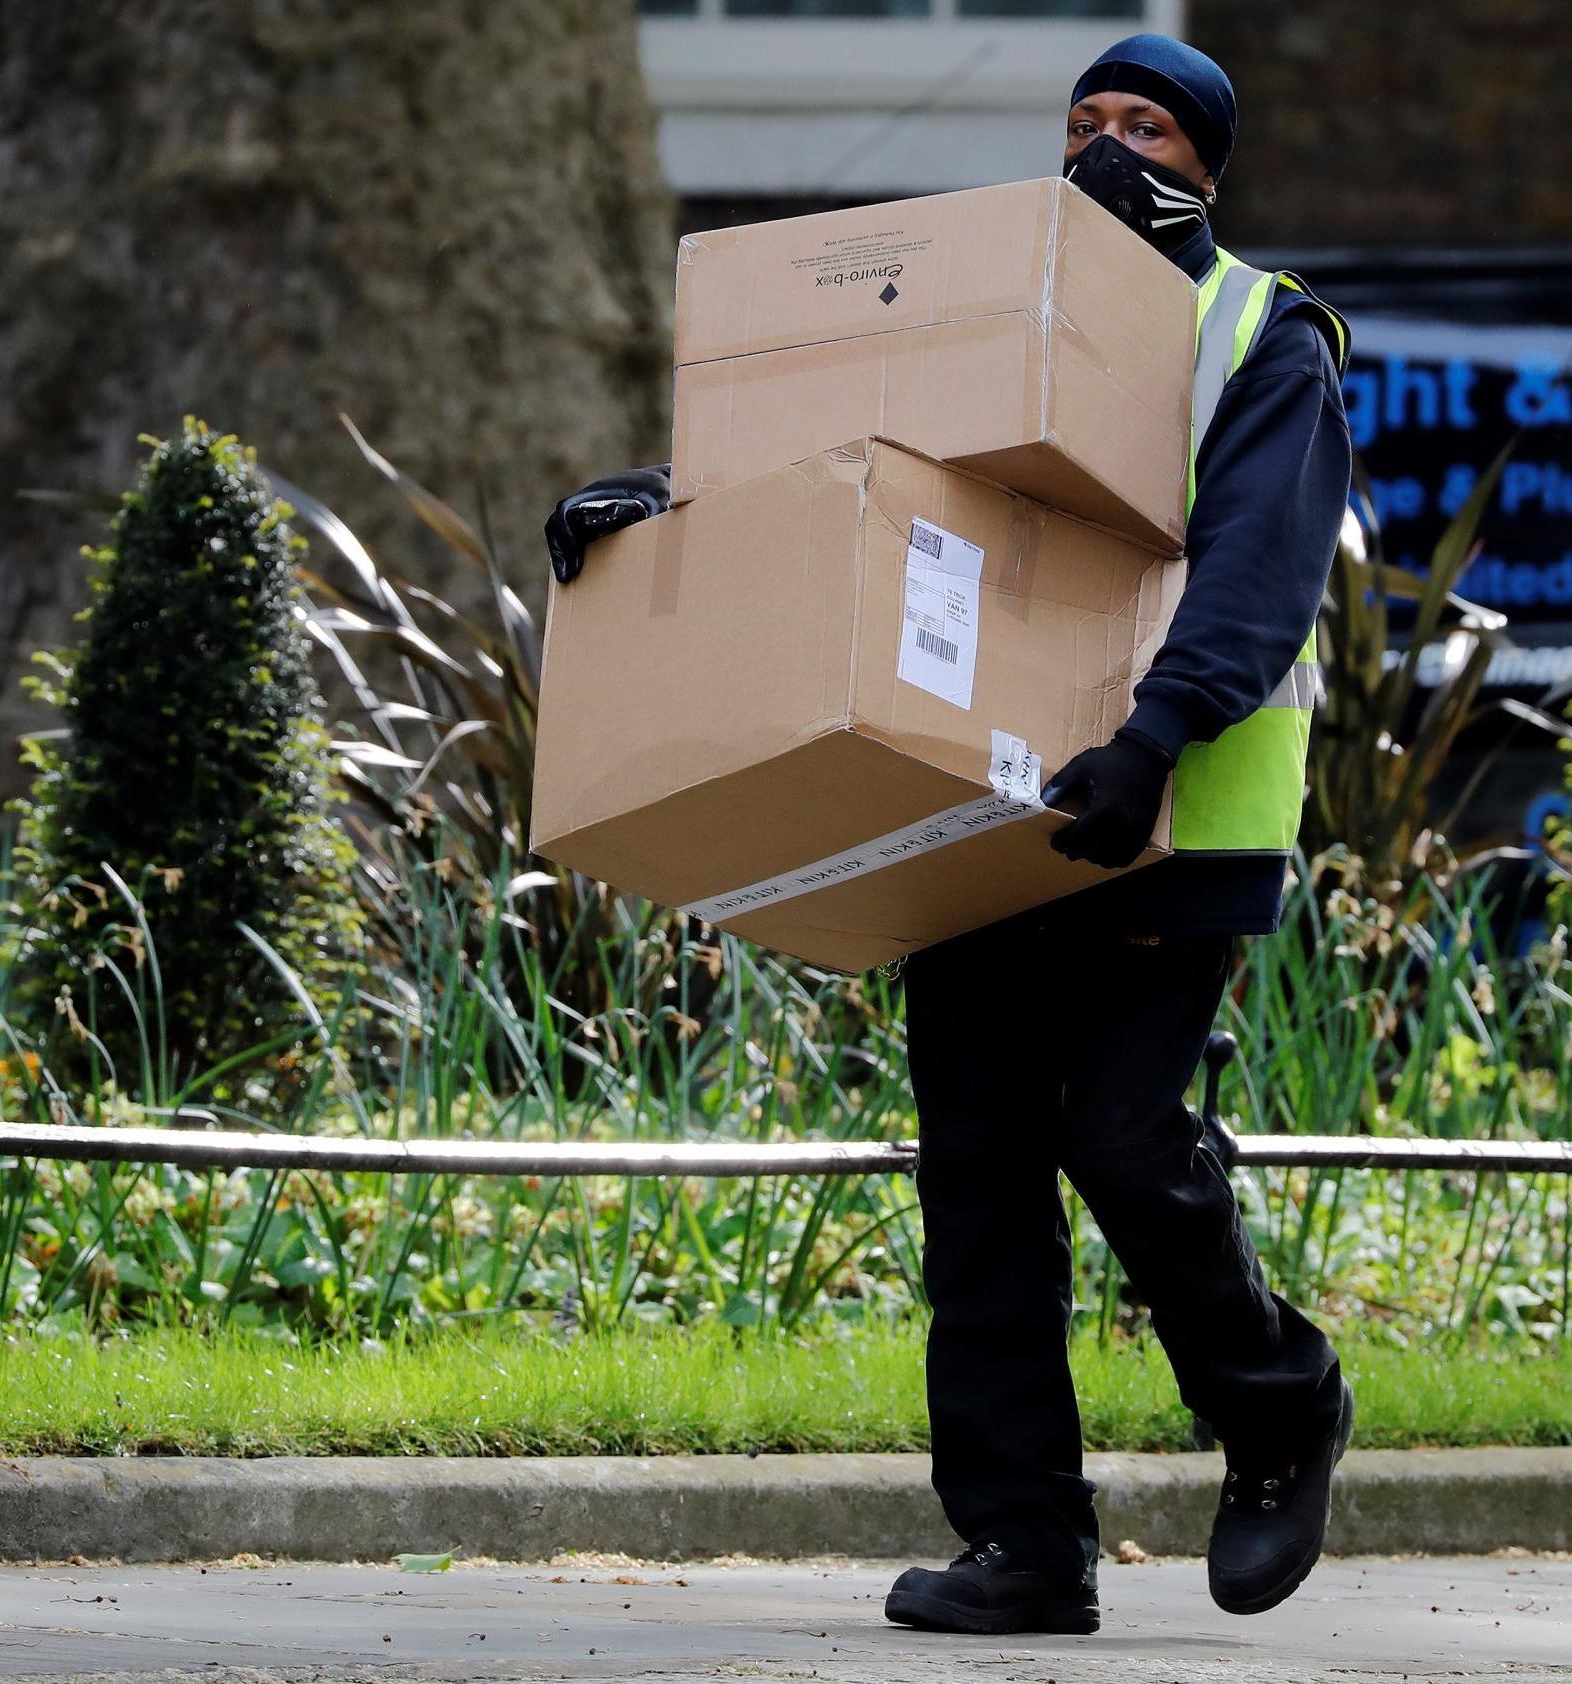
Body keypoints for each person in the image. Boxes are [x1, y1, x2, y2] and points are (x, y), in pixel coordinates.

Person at [544, 33, 1353, 1640]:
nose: (1110, 150)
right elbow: (842, 471)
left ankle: (1276, 1406)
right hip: (970, 797)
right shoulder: (983, 314)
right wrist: (665, 504)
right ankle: (1022, 1545)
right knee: (978, 1179)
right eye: (1085, 124)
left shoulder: (1259, 336)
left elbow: (1262, 571)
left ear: (1209, 166)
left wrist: (1153, 735)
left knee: (1122, 1137)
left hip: (1170, 809)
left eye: (1149, 128)